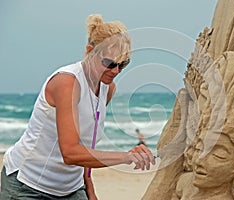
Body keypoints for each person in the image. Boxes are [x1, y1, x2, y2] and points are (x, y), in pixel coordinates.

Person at [0, 14, 155, 200]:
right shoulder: (67, 82)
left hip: (71, 188)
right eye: (110, 63)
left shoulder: (108, 88)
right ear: (90, 51)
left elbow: (86, 142)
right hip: (28, 184)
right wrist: (126, 157)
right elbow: (70, 152)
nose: (115, 71)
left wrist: (88, 185)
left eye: (123, 64)